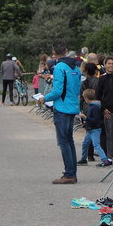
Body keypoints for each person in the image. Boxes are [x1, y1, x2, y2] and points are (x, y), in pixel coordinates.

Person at [38, 39, 81, 184]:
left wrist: (45, 98)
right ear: (66, 50)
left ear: (54, 53)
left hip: (62, 108)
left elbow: (57, 91)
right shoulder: (76, 67)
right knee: (70, 141)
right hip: (73, 106)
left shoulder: (59, 68)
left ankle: (69, 174)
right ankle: (72, 172)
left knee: (63, 142)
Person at [77, 89, 112, 167]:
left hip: (94, 129)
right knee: (85, 144)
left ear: (86, 98)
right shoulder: (94, 106)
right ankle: (83, 159)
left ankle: (105, 160)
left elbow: (95, 120)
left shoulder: (94, 107)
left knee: (96, 145)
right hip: (91, 129)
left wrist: (85, 118)